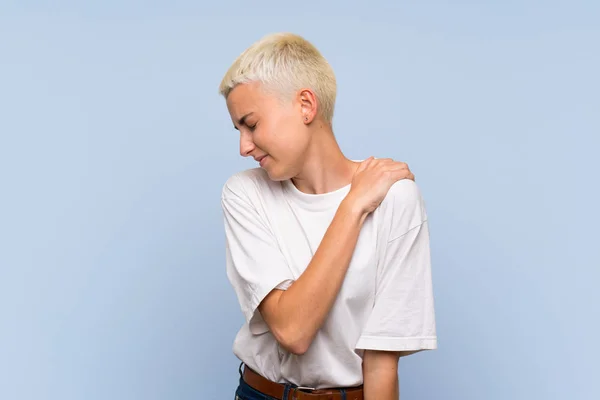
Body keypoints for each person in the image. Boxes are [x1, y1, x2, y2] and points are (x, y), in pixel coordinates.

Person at [218, 32, 437, 400]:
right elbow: (293, 330)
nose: (243, 147)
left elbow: (382, 364)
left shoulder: (396, 198)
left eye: (251, 124)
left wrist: (362, 200)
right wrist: (353, 207)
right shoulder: (245, 194)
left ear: (306, 104)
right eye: (238, 130)